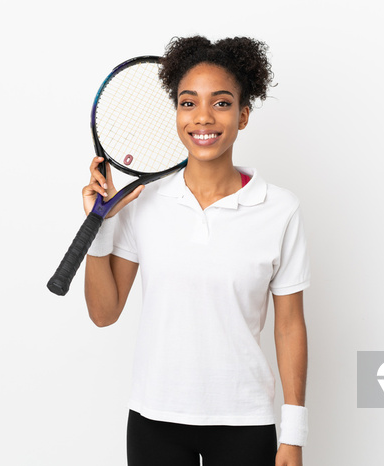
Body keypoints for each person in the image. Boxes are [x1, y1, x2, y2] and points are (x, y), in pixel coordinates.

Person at [82, 36, 310, 466]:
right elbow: (103, 312)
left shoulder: (280, 209)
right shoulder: (144, 203)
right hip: (155, 420)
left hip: (245, 422)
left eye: (221, 103)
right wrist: (101, 227)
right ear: (176, 113)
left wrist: (294, 435)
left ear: (243, 115)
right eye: (188, 103)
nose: (202, 117)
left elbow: (289, 327)